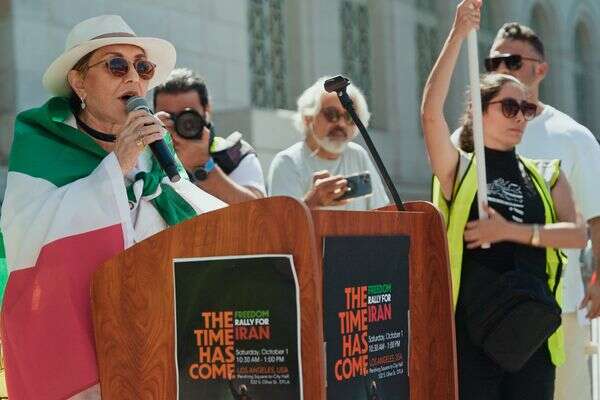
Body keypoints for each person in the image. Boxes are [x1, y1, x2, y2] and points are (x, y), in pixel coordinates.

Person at [0, 15, 225, 400]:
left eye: (142, 67)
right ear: (78, 82)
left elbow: (187, 216)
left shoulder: (156, 148)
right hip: (78, 343)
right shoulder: (42, 141)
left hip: (155, 338)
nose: (133, 77)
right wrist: (116, 166)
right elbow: (28, 238)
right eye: (116, 65)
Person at [422, 1, 587, 399]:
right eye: (509, 107)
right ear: (479, 112)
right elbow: (430, 114)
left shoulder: (546, 173)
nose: (519, 117)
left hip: (531, 337)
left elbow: (577, 234)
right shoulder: (461, 169)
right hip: (471, 340)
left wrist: (508, 231)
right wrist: (458, 34)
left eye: (526, 108)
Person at [267, 77, 389, 210]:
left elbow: (383, 213)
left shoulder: (358, 155)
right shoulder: (287, 162)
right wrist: (310, 203)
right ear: (308, 118)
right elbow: (281, 221)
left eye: (349, 116)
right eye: (332, 114)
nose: (341, 124)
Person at [154, 68, 266, 204]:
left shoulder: (234, 155)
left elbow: (259, 210)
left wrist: (202, 166)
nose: (180, 124)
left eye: (188, 116)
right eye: (169, 117)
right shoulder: (142, 158)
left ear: (206, 109)